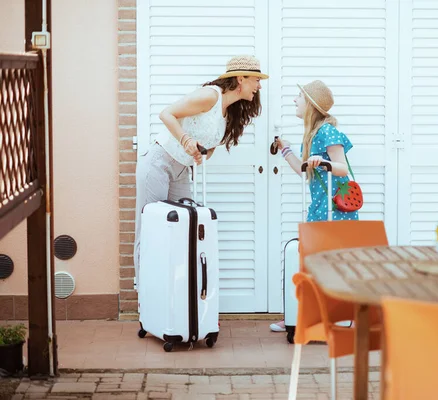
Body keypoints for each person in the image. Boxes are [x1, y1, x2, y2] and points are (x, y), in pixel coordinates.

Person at [134, 55, 268, 286]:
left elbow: (209, 147)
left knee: (182, 230)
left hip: (182, 171)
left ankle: (175, 295)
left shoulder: (229, 113)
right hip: (159, 163)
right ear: (240, 78)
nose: (259, 85)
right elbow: (167, 114)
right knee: (150, 230)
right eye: (256, 79)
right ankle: (146, 299)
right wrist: (186, 140)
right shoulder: (210, 95)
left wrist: (199, 152)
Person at [270, 80, 358, 332]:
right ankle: (299, 315)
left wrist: (323, 163)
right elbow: (304, 171)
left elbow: (341, 166)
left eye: (299, 96)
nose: (294, 100)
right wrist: (285, 149)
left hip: (336, 213)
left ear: (310, 103)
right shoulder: (312, 134)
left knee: (329, 265)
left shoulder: (328, 132)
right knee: (309, 264)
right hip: (320, 209)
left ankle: (341, 316)